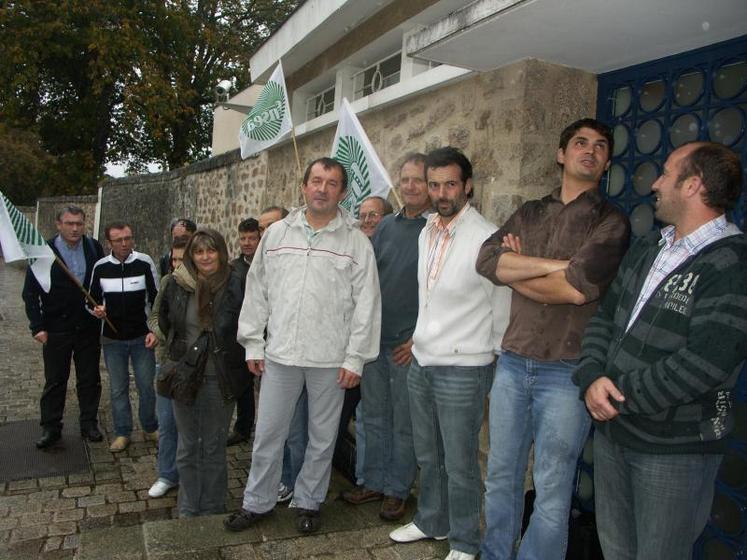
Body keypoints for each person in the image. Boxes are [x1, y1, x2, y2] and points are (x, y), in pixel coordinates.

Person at [573, 142, 747, 560]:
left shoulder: (732, 263)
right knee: (616, 549)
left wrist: (616, 394)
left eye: (666, 174)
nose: (655, 184)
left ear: (693, 185)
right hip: (616, 433)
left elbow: (705, 362)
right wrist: (591, 377)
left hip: (674, 449)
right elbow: (605, 318)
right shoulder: (650, 246)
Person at [475, 118, 630, 560]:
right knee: (502, 475)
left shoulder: (611, 222)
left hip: (566, 371)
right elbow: (488, 260)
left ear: (606, 162)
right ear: (561, 154)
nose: (590, 150)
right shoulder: (529, 211)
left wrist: (520, 266)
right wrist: (556, 265)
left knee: (552, 487)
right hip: (512, 362)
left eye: (600, 146)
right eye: (580, 143)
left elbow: (577, 288)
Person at [224, 157, 381, 535]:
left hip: (331, 359)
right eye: (316, 180)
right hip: (280, 356)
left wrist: (355, 358)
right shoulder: (277, 234)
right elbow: (257, 291)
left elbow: (367, 304)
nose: (322, 188)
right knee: (268, 433)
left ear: (342, 193)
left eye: (331, 183)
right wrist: (253, 344)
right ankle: (257, 502)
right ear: (303, 186)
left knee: (322, 437)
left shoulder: (356, 243)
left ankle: (309, 501)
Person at [389, 147, 511, 560]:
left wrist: (490, 357)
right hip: (422, 363)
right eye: (434, 184)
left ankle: (464, 540)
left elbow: (502, 305)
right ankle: (431, 520)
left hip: (464, 368)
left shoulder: (486, 238)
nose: (441, 192)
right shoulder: (426, 231)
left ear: (468, 186)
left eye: (450, 184)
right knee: (428, 454)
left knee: (459, 463)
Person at [341, 153, 431, 521]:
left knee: (403, 421)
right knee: (371, 416)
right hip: (374, 343)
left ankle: (396, 489)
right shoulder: (387, 227)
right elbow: (369, 281)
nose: (410, 186)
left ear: (430, 186)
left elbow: (438, 289)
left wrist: (420, 337)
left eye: (418, 180)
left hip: (406, 347)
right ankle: (371, 481)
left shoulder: (434, 230)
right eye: (405, 178)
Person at [157, 228, 250, 516]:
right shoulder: (175, 284)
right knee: (187, 447)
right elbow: (164, 324)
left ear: (221, 253)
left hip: (220, 376)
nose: (205, 256)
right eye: (198, 251)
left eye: (211, 250)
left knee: (212, 447)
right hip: (185, 375)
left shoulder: (237, 284)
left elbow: (249, 327)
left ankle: (212, 507)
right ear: (190, 255)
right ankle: (188, 506)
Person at [22, 206, 105, 448]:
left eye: (79, 223)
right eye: (69, 223)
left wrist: (102, 306)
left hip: (87, 326)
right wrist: (36, 326)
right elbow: (30, 292)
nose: (75, 228)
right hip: (56, 326)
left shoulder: (93, 247)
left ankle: (89, 423)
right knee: (56, 380)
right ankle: (51, 427)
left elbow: (100, 284)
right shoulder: (43, 252)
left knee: (89, 378)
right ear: (59, 225)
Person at [89, 222, 160, 453]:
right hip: (112, 339)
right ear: (109, 243)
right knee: (118, 389)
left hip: (142, 337)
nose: (124, 244)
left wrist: (154, 330)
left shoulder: (144, 262)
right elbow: (90, 300)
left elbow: (156, 300)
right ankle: (122, 432)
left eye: (128, 238)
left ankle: (150, 427)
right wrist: (96, 310)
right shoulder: (100, 267)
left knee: (146, 386)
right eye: (118, 240)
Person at [147, 236, 188, 498]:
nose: (176, 265)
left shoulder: (208, 285)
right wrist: (161, 333)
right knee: (167, 421)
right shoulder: (167, 282)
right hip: (167, 361)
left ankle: (191, 473)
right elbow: (154, 316)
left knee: (192, 425)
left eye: (182, 260)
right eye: (173, 259)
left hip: (196, 365)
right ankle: (167, 474)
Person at [227, 217, 261, 446]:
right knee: (243, 386)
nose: (247, 242)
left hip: (268, 335)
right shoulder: (233, 268)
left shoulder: (270, 263)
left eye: (251, 238)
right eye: (243, 238)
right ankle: (243, 427)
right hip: (240, 336)